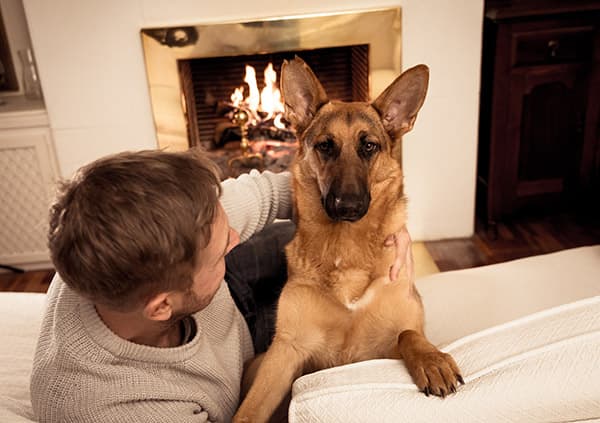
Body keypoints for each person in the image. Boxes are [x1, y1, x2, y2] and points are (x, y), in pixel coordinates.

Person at [30, 148, 412, 422]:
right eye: (218, 248)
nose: (234, 236)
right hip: (236, 364)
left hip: (225, 291)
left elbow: (278, 190)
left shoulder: (144, 228)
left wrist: (385, 229)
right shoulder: (108, 407)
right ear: (161, 306)